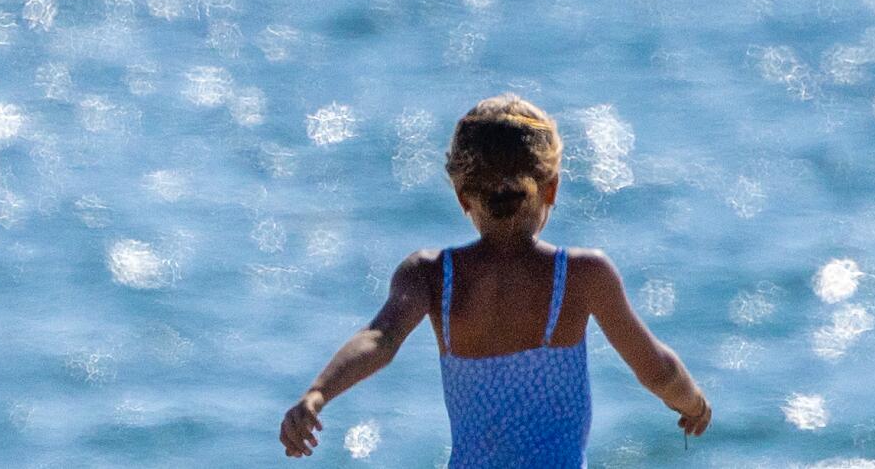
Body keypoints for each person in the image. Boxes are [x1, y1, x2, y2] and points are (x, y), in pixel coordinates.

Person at [279, 94, 711, 463]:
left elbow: (379, 339)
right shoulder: (581, 275)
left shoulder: (432, 275)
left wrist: (317, 394)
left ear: (463, 197)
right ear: (552, 189)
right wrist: (692, 403)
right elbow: (657, 369)